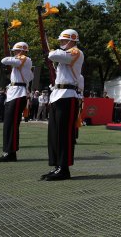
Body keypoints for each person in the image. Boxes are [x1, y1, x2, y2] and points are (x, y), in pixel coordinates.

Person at [42, 29, 84, 181]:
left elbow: (53, 54)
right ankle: (57, 166)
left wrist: (50, 50)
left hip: (68, 96)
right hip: (57, 95)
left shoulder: (76, 52)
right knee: (54, 134)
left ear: (72, 40)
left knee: (64, 134)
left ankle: (64, 168)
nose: (60, 43)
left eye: (63, 41)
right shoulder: (65, 55)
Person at [0, 42, 34, 162]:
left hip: (19, 94)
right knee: (8, 124)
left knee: (12, 125)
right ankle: (8, 151)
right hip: (13, 93)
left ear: (22, 51)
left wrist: (12, 57)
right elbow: (31, 76)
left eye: (16, 51)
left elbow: (4, 60)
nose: (14, 53)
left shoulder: (25, 59)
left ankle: (11, 152)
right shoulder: (21, 63)